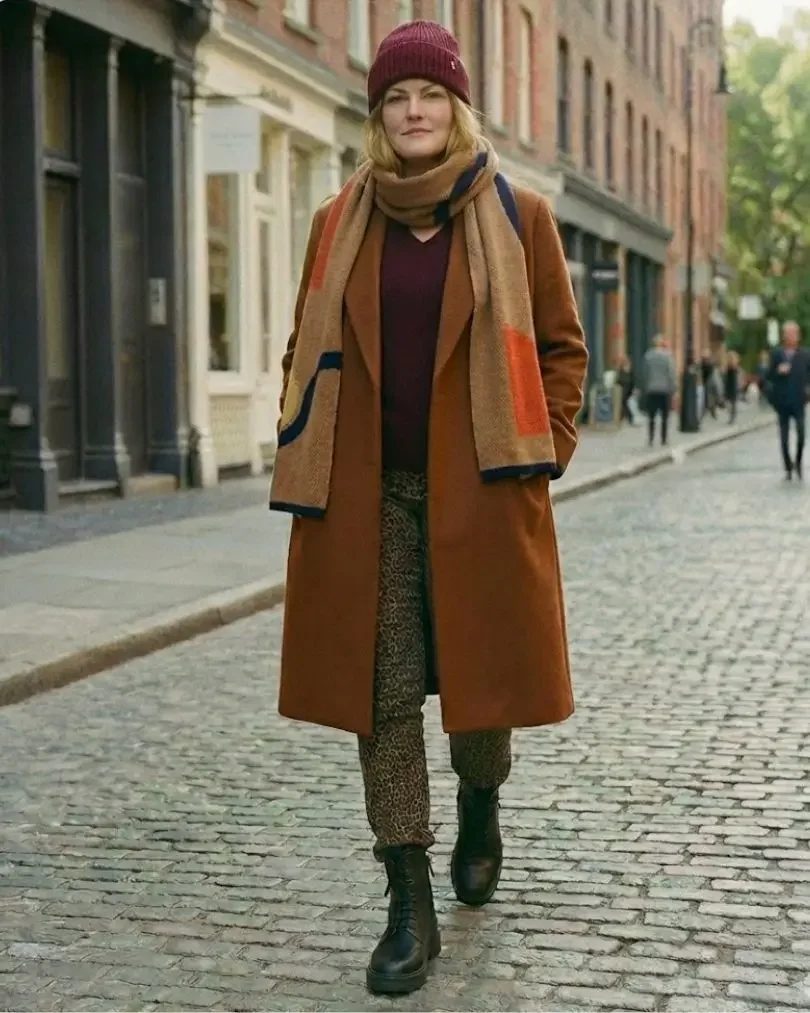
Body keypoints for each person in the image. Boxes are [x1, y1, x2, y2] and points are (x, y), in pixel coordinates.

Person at [268, 20, 588, 997]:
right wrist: (302, 440)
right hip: (366, 505)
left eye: (429, 97)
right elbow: (302, 350)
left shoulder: (517, 211)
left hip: (485, 499)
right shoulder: (339, 219)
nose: (412, 112)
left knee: (482, 688)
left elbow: (564, 351)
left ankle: (482, 799)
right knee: (384, 696)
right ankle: (407, 897)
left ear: (456, 109)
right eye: (396, 98)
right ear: (378, 115)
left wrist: (545, 453)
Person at [768, 320, 808, 480]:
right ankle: (787, 466)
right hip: (782, 402)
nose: (791, 337)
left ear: (798, 337)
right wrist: (778, 372)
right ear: (784, 336)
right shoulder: (777, 354)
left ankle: (798, 461)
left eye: (794, 334)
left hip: (799, 402)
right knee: (783, 439)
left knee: (801, 435)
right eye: (788, 334)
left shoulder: (805, 355)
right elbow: (768, 376)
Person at [642, 334, 676, 446]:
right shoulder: (667, 356)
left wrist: (645, 387)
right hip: (664, 390)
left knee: (651, 416)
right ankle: (663, 439)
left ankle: (651, 438)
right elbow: (670, 373)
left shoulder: (648, 356)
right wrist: (673, 388)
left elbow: (645, 374)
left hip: (652, 389)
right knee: (664, 417)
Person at [617, 355, 636, 425]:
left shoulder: (628, 369)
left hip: (627, 389)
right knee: (623, 403)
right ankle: (625, 417)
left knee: (623, 403)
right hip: (622, 388)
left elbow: (631, 380)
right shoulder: (621, 369)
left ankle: (627, 417)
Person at [724, 350, 740, 424]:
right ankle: (732, 416)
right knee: (730, 403)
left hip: (732, 386)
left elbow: (734, 378)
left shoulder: (734, 367)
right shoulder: (730, 367)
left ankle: (732, 417)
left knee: (732, 403)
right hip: (730, 386)